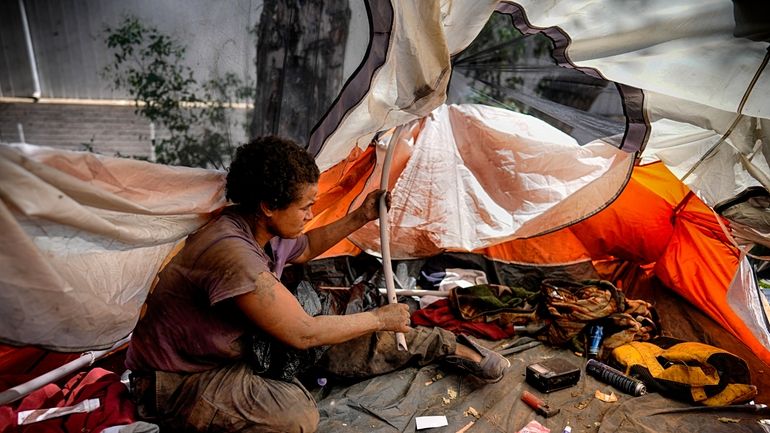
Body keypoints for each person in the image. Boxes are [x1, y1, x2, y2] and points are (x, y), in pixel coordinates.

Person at [125, 136, 509, 432]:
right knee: (296, 414)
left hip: (249, 348)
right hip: (184, 380)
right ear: (268, 206)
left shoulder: (261, 228)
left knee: (342, 335)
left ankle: (449, 347)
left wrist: (359, 217)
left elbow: (306, 248)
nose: (311, 213)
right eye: (306, 205)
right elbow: (304, 333)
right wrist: (379, 318)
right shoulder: (230, 251)